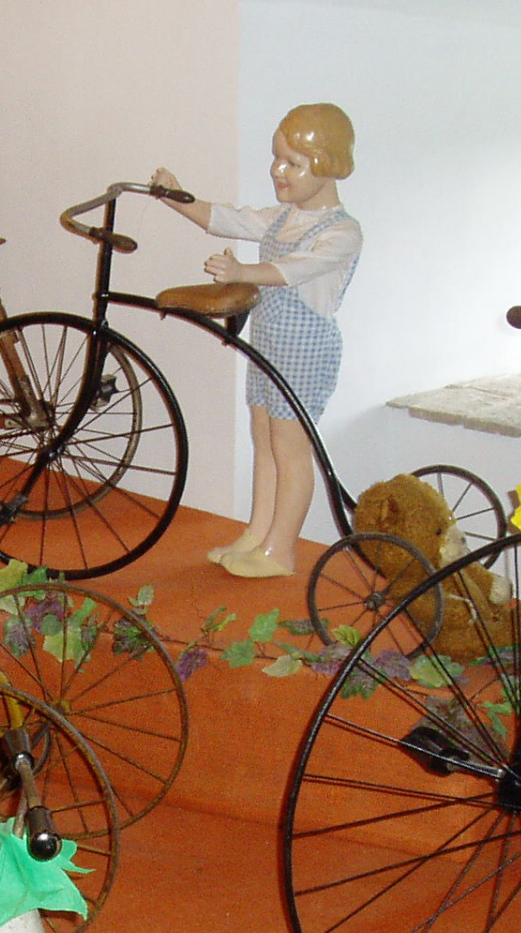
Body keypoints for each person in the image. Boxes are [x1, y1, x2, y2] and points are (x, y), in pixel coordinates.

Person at [155, 102, 361, 577]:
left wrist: (243, 271)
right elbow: (226, 219)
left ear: (327, 164)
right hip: (269, 344)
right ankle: (258, 533)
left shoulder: (342, 232)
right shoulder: (284, 217)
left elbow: (294, 270)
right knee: (263, 438)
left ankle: (280, 550)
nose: (278, 170)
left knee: (290, 448)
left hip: (305, 349)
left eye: (293, 163)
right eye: (277, 158)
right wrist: (174, 197)